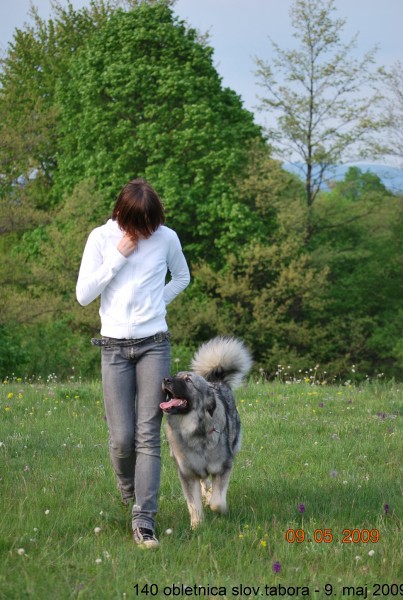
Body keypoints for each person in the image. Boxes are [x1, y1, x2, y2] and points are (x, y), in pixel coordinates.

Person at [76, 178, 190, 548]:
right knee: (122, 438)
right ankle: (128, 492)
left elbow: (182, 277)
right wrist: (117, 257)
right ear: (122, 216)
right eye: (140, 225)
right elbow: (83, 295)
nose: (147, 232)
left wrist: (158, 301)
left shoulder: (167, 238)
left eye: (151, 224)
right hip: (113, 347)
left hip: (154, 344)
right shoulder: (101, 239)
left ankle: (144, 520)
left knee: (147, 435)